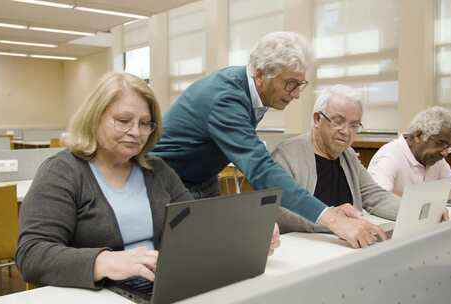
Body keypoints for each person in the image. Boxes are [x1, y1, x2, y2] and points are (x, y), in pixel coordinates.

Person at [15, 72, 279, 289]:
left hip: (159, 286)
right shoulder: (63, 172)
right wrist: (104, 262)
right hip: (102, 291)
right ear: (94, 118)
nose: (135, 132)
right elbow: (32, 254)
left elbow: (196, 226)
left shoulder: (157, 170)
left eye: (145, 123)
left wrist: (242, 235)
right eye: (123, 121)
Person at [152, 31, 374, 248]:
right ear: (260, 75)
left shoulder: (254, 90)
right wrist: (332, 220)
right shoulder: (225, 99)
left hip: (203, 177)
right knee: (186, 256)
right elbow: (260, 170)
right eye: (290, 84)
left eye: (300, 84)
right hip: (167, 181)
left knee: (213, 254)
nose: (296, 94)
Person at [272, 85, 401, 244]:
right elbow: (278, 211)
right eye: (338, 122)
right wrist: (332, 220)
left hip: (346, 247)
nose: (346, 131)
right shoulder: (288, 154)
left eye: (354, 125)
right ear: (317, 119)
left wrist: (416, 210)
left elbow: (375, 196)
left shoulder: (349, 155)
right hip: (302, 248)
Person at [367, 106, 451, 197]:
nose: (445, 153)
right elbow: (379, 199)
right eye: (441, 143)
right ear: (418, 136)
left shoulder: (435, 159)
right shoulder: (389, 157)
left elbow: (449, 190)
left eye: (449, 146)